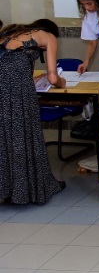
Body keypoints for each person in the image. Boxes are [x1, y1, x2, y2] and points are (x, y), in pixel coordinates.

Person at [0, 19, 67, 204]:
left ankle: (6, 189)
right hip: (19, 94)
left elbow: (10, 65)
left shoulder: (10, 32)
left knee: (5, 137)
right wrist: (62, 82)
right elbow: (53, 78)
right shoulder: (48, 37)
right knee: (24, 135)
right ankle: (27, 190)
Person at [75, 0, 99, 74]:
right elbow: (92, 41)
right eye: (83, 5)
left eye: (89, 3)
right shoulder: (87, 16)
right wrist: (86, 61)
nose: (86, 7)